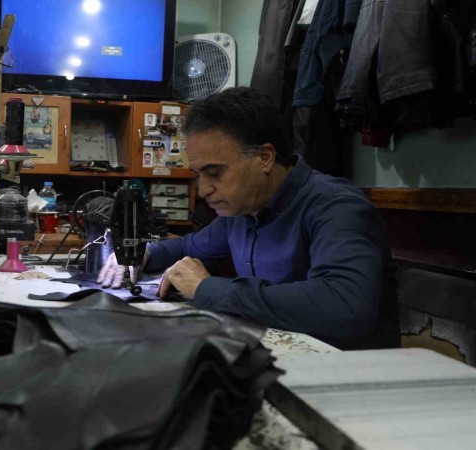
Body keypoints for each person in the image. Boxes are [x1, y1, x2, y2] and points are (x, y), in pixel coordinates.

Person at [98, 87, 398, 350]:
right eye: (198, 175)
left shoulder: (336, 207)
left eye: (214, 173)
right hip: (277, 355)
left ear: (264, 158)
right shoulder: (241, 210)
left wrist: (206, 288)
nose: (203, 190)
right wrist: (143, 254)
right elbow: (189, 246)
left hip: (349, 373)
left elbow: (344, 305)